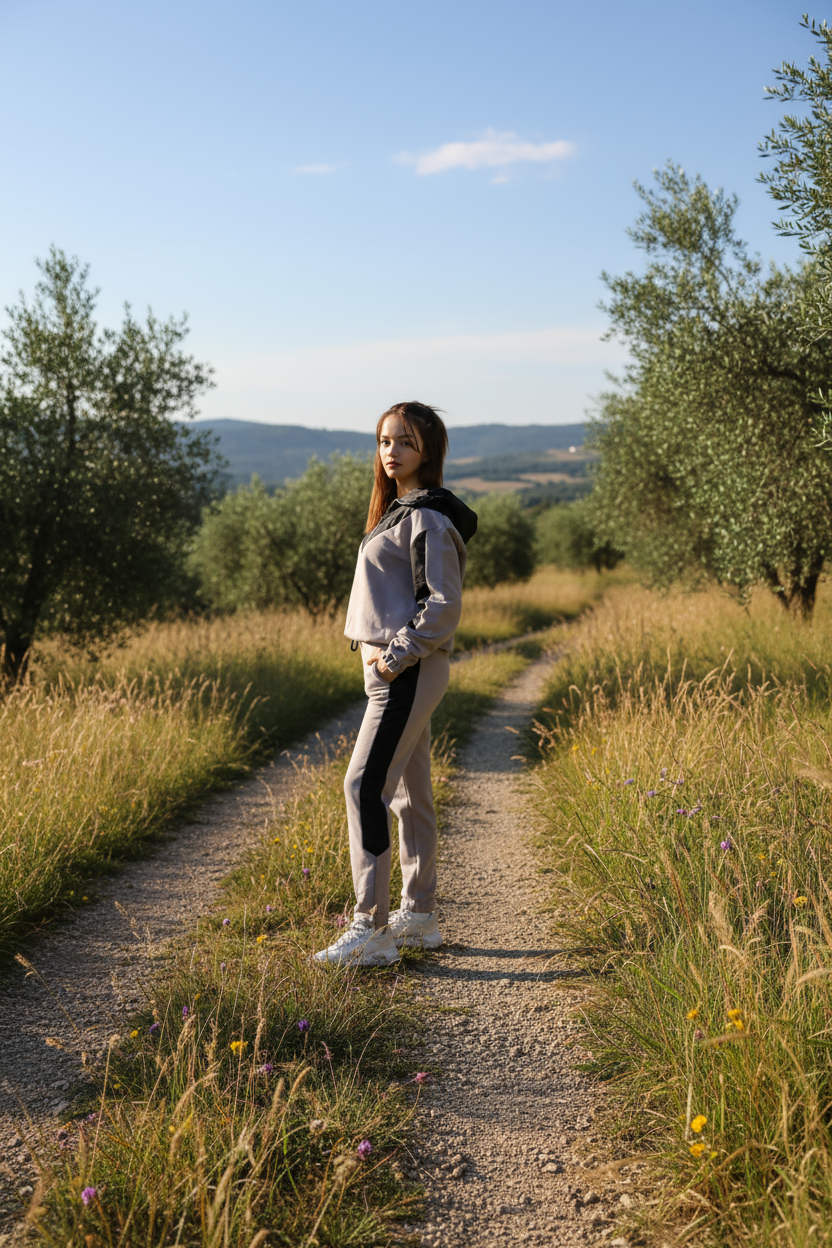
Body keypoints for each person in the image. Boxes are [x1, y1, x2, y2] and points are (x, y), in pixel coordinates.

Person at [313, 401, 477, 967]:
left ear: (427, 450)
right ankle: (419, 915)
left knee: (363, 787)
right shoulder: (400, 511)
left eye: (404, 442)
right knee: (409, 793)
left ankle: (370, 927)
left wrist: (393, 659)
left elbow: (442, 604)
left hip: (404, 670)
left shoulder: (427, 517)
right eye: (385, 441)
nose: (391, 452)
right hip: (395, 670)